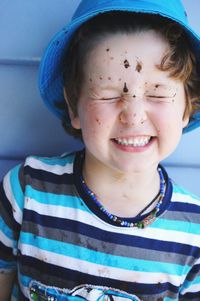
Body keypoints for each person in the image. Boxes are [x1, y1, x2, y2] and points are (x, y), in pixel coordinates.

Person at [1, 0, 200, 300]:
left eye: (157, 93)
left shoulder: (193, 234)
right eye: (107, 95)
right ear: (73, 105)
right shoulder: (25, 191)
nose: (133, 116)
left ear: (187, 106)